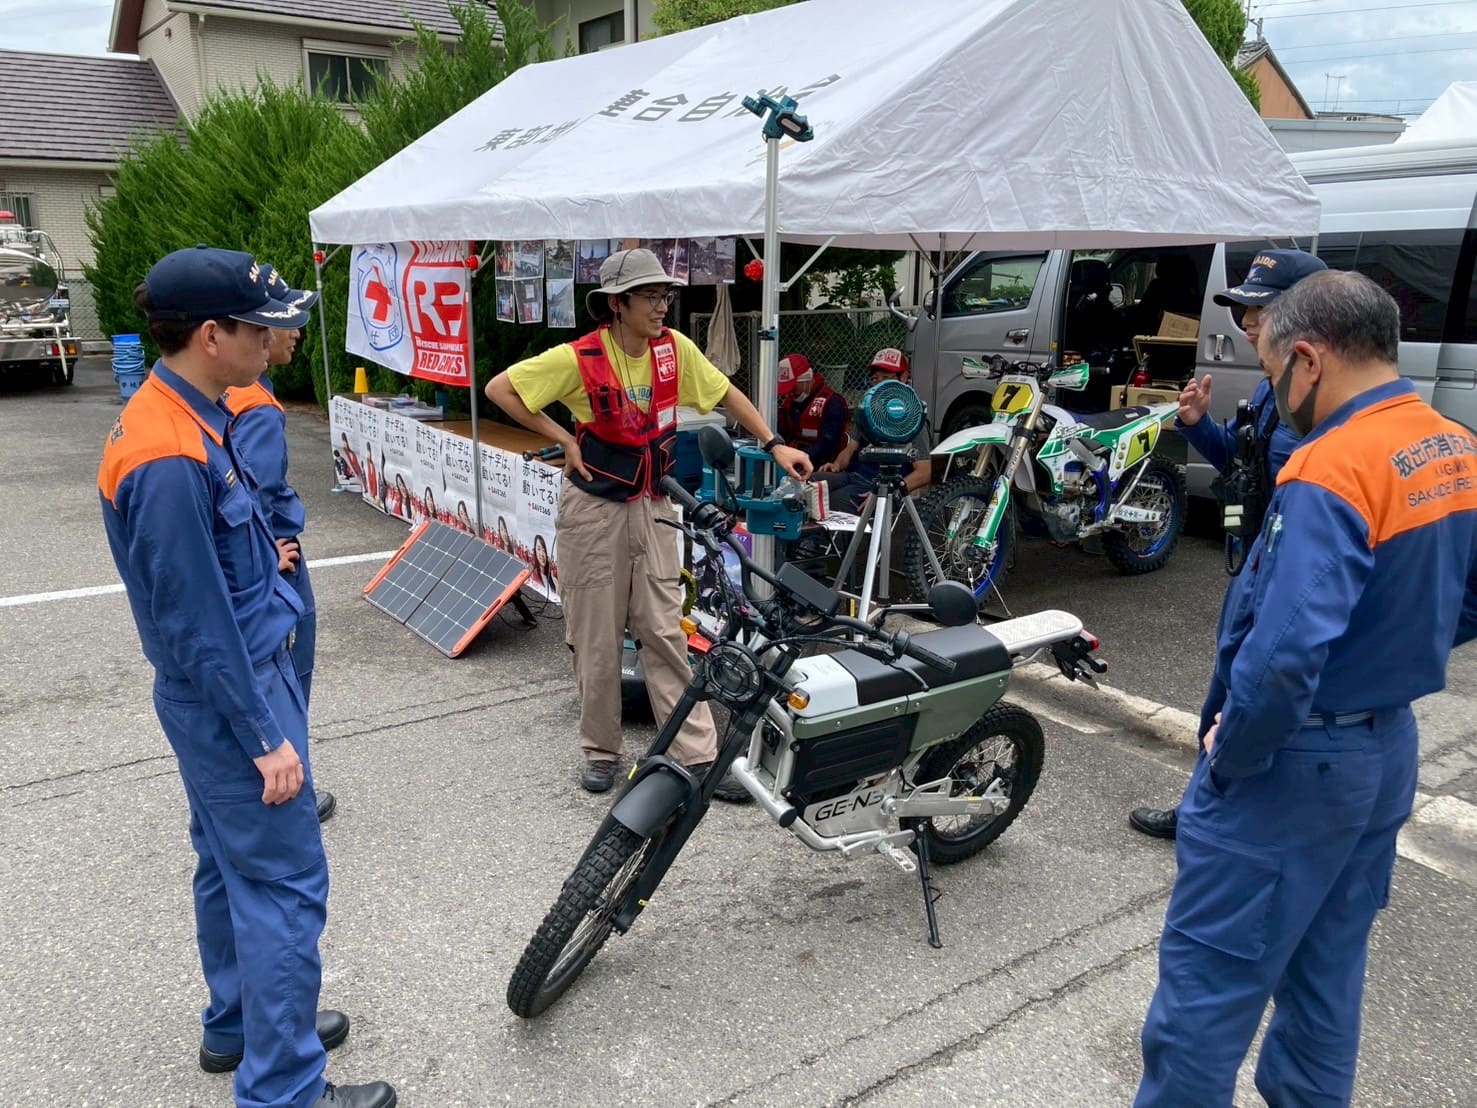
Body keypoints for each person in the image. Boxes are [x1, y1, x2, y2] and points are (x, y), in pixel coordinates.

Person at [1135, 270, 1477, 1108]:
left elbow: (1282, 655)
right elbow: (1463, 599)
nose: (1272, 389)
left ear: (1309, 359)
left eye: (1268, 363)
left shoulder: (1329, 467)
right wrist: (1390, 646)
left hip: (1292, 765)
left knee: (1204, 1002)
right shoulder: (1452, 446)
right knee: (1325, 983)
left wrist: (1231, 754)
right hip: (1382, 754)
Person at [98, 246, 394, 1108]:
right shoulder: (167, 452)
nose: (272, 342)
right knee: (283, 885)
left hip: (229, 685)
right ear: (209, 335)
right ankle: (285, 1087)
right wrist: (263, 734)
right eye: (258, 328)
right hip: (235, 693)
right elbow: (194, 620)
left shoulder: (189, 413)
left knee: (228, 863)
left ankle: (241, 1023)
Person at [485, 247, 812, 795]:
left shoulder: (674, 350)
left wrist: (775, 443)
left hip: (654, 505)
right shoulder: (578, 357)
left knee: (664, 631)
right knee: (596, 636)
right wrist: (564, 439)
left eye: (664, 295)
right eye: (650, 296)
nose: (662, 305)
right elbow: (501, 389)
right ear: (617, 304)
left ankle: (696, 755)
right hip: (593, 511)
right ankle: (601, 750)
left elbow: (725, 393)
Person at [1129, 249, 1327, 841]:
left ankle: (1222, 819)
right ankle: (1206, 807)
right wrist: (1198, 425)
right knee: (1225, 691)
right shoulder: (1272, 392)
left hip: (1284, 577)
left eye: (1260, 311)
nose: (1247, 323)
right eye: (1244, 310)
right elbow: (1243, 473)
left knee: (1252, 696)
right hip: (1256, 566)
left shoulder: (1318, 407)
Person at [224, 263, 336, 824]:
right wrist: (270, 552)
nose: (297, 333)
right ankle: (293, 787)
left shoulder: (225, 393)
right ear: (260, 333)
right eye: (288, 322)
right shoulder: (259, 406)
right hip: (276, 559)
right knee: (289, 675)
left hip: (258, 556)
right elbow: (257, 491)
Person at [815, 348, 931, 513]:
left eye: (886, 378)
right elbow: (850, 448)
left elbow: (924, 472)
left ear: (904, 377)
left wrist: (887, 493)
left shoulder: (911, 418)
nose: (879, 384)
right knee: (811, 484)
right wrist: (836, 465)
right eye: (875, 378)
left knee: (835, 502)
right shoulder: (869, 411)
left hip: (884, 485)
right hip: (855, 475)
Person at [777, 353, 848, 467]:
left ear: (807, 379)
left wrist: (796, 458)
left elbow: (827, 445)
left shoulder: (832, 402)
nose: (789, 393)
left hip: (821, 464)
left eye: (793, 387)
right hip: (792, 458)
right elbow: (781, 432)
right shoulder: (789, 402)